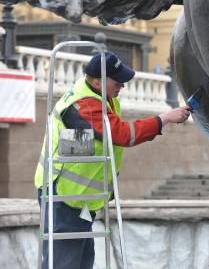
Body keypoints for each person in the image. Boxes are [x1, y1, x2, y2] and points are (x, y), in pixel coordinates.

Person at [34, 52, 190, 269]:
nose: (123, 86)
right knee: (64, 263)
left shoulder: (100, 97)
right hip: (62, 195)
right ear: (98, 81)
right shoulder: (84, 105)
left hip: (78, 198)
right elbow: (122, 134)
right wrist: (165, 118)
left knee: (82, 259)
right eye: (118, 81)